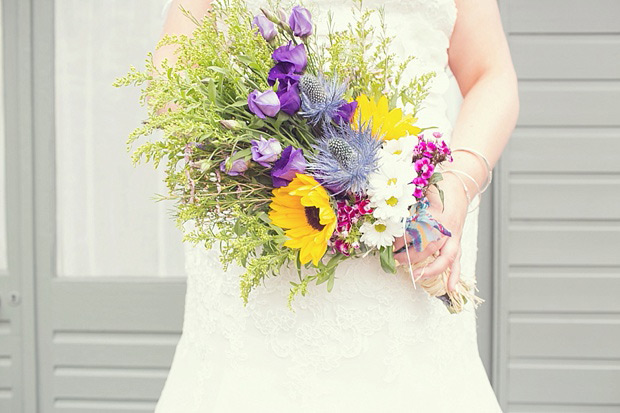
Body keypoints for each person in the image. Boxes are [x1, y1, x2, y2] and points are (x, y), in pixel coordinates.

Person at [153, 0, 519, 411]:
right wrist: (258, 154)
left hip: (415, 224)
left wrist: (456, 184)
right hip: (262, 229)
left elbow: (491, 74)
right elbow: (172, 72)